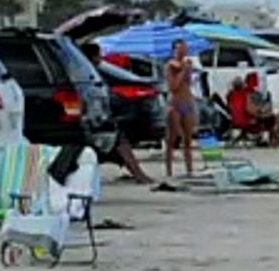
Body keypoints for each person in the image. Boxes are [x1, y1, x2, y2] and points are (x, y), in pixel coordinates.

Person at [78, 42, 157, 185]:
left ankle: (139, 175)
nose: (100, 58)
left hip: (95, 115)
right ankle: (139, 175)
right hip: (91, 116)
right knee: (120, 142)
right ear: (93, 56)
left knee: (120, 142)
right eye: (98, 55)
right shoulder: (86, 72)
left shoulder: (85, 70)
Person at [164, 38, 198, 177]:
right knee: (172, 138)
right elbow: (173, 86)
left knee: (188, 140)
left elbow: (188, 84)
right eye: (179, 49)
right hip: (175, 104)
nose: (182, 51)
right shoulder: (170, 66)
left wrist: (187, 71)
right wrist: (182, 71)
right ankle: (169, 170)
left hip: (188, 102)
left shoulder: (186, 64)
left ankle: (189, 169)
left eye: (184, 48)